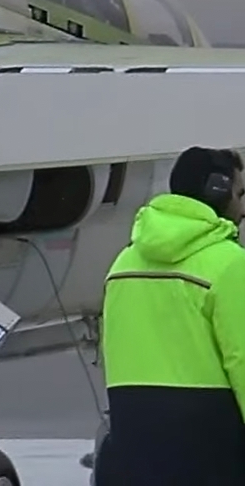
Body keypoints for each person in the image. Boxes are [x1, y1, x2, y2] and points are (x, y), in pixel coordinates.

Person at [98, 146, 245, 485]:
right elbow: (241, 357)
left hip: (135, 440)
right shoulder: (229, 264)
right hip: (210, 443)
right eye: (240, 194)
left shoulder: (123, 264)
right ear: (217, 191)